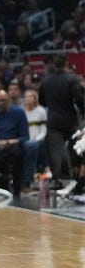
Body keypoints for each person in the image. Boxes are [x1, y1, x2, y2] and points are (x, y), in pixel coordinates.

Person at [39, 55, 85, 195]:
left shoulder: (46, 80)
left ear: (53, 63)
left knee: (55, 151)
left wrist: (54, 106)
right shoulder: (72, 79)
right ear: (66, 63)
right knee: (75, 150)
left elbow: (42, 101)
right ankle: (75, 180)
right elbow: (78, 100)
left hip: (53, 120)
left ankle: (57, 179)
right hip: (70, 119)